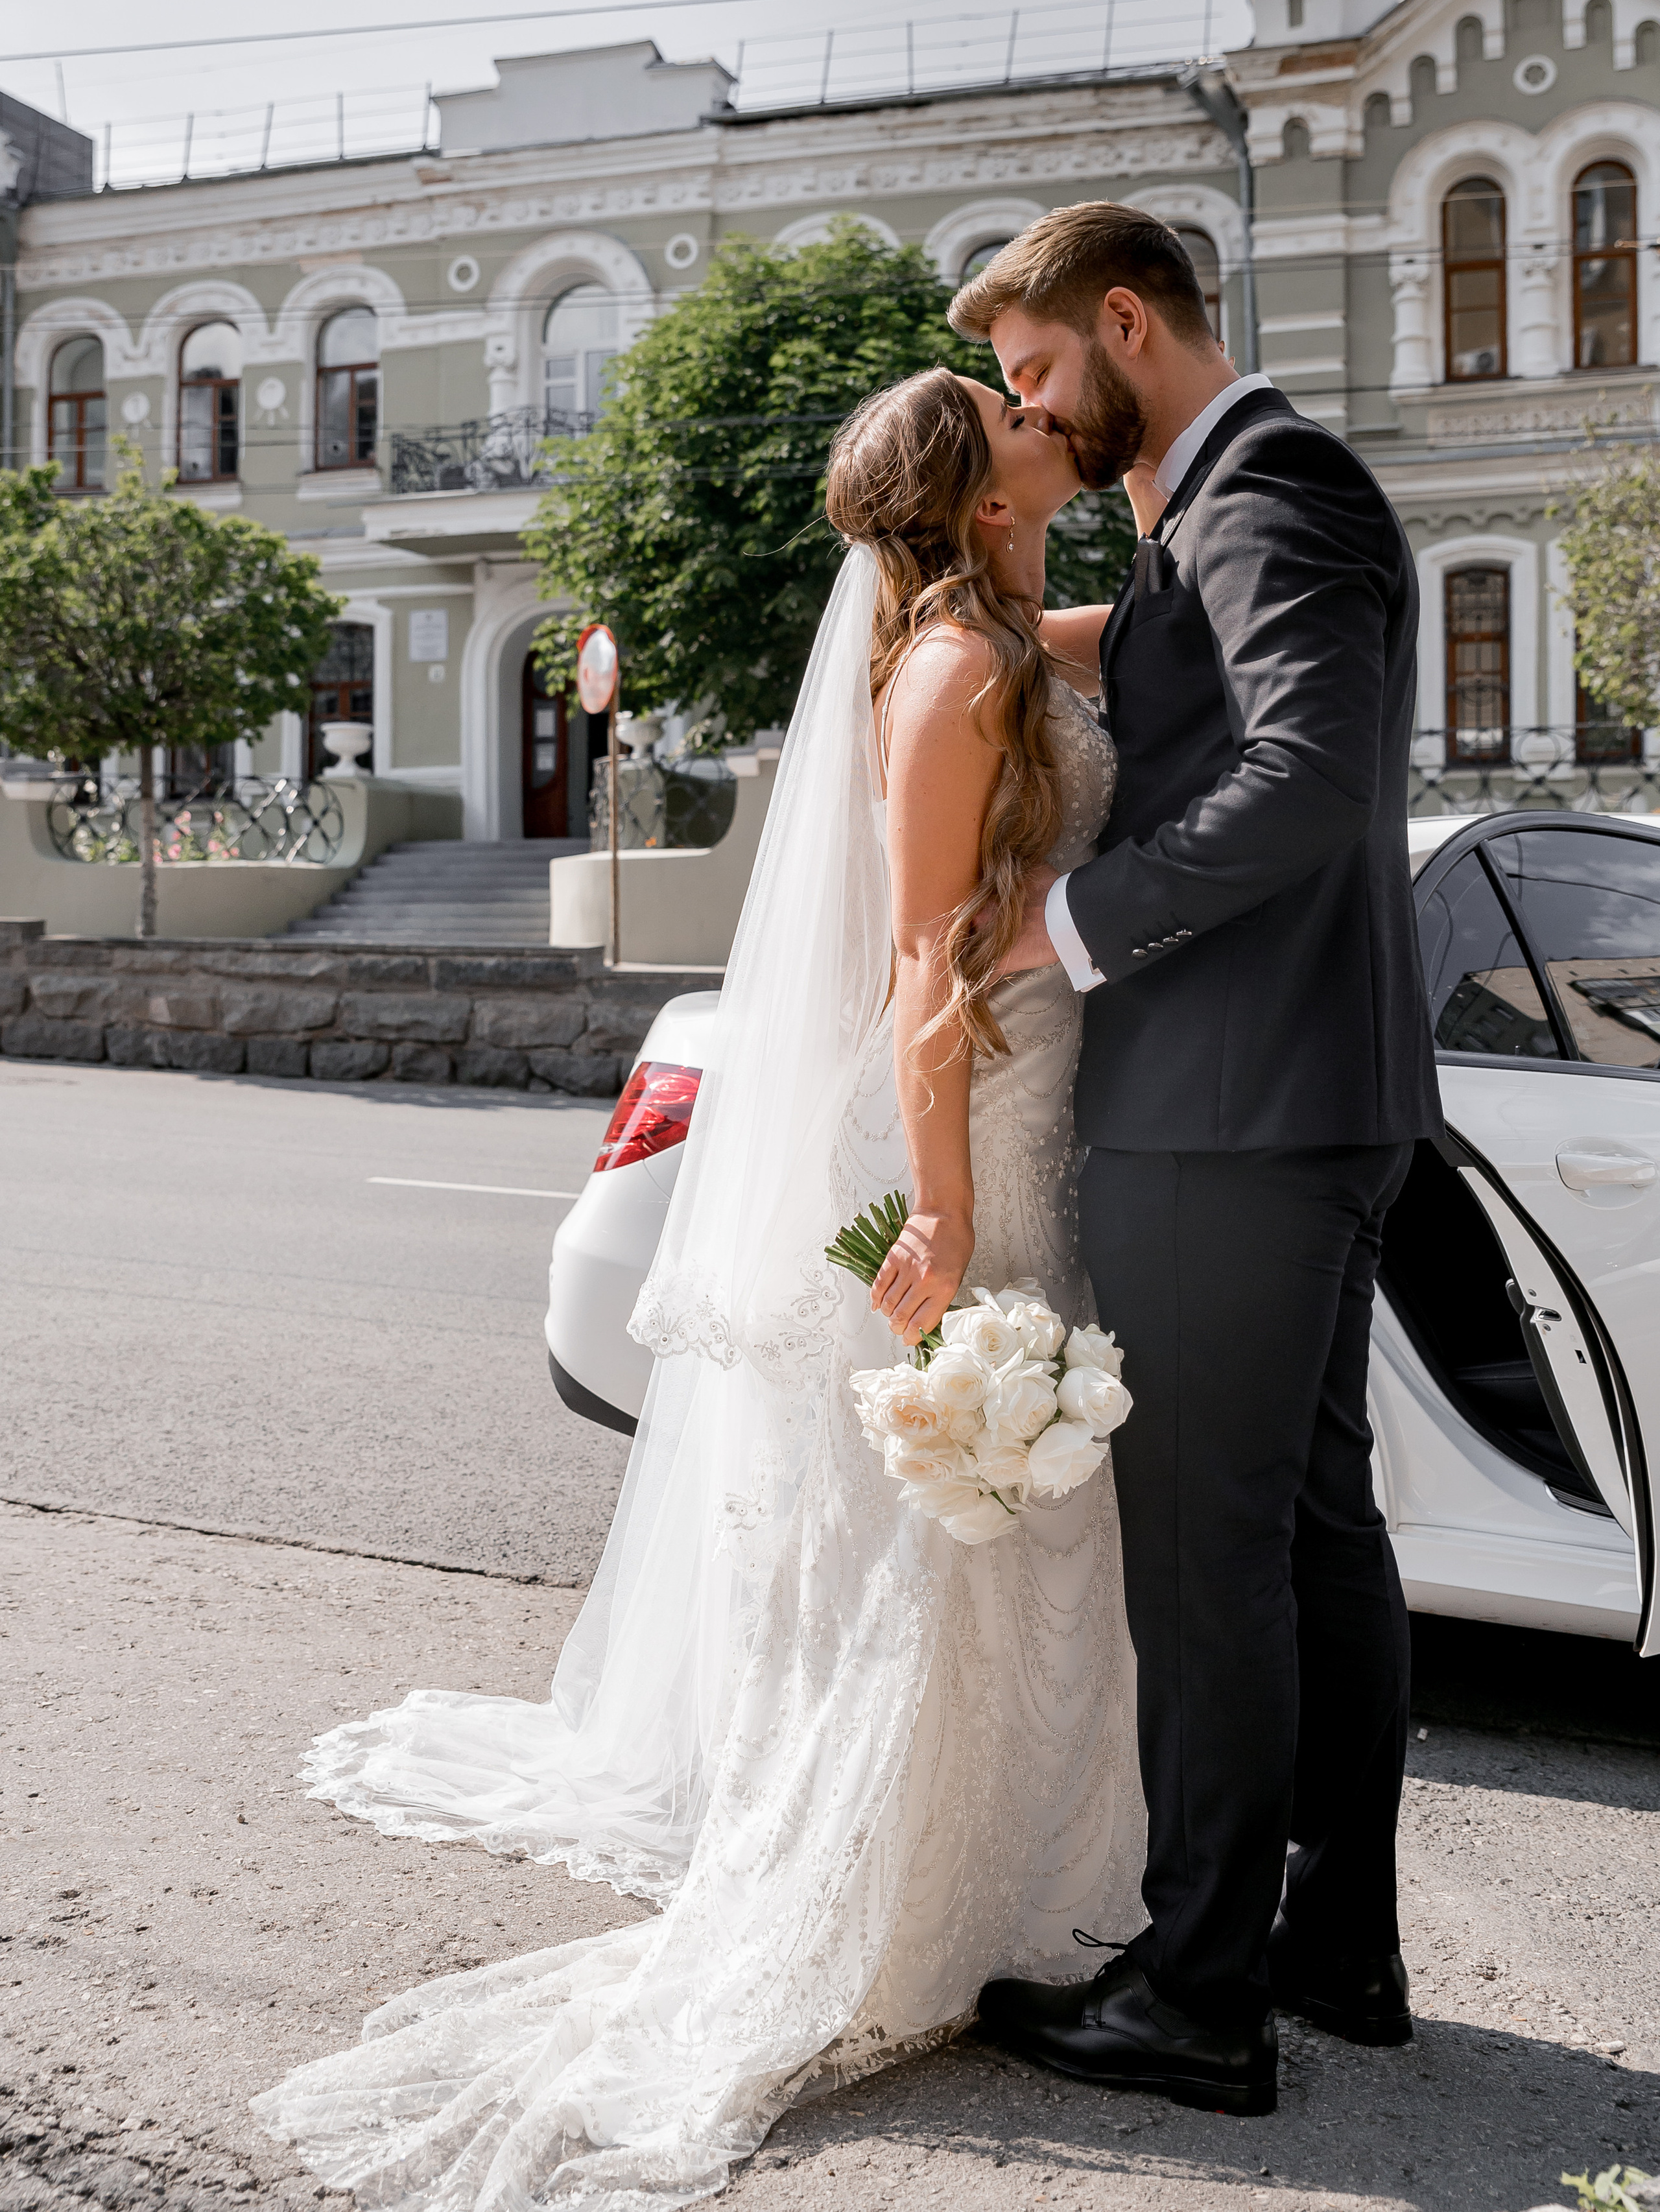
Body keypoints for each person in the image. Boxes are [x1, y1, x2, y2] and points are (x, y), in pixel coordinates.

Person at [253, 360, 1148, 2210]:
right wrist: (949, 1214)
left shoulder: (992, 628)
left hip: (1027, 1101)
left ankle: (1014, 1875)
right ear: (983, 498)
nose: (1049, 412)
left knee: (1009, 1521)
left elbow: (1139, 624)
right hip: (958, 1123)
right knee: (956, 1511)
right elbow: (921, 955)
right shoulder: (960, 672)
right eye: (1019, 416)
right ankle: (909, 1899)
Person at [944, 202, 1443, 2102]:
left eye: (1037, 374)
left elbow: (1306, 770)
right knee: (1312, 1534)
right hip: (1312, 1098)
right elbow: (1183, 668)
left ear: (1126, 324)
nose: (1030, 411)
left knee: (1208, 1556)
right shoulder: (1221, 509)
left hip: (1234, 1115)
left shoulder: (1265, 485)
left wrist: (1063, 931)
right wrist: (970, 604)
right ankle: (1338, 1953)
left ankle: (1202, 1994)